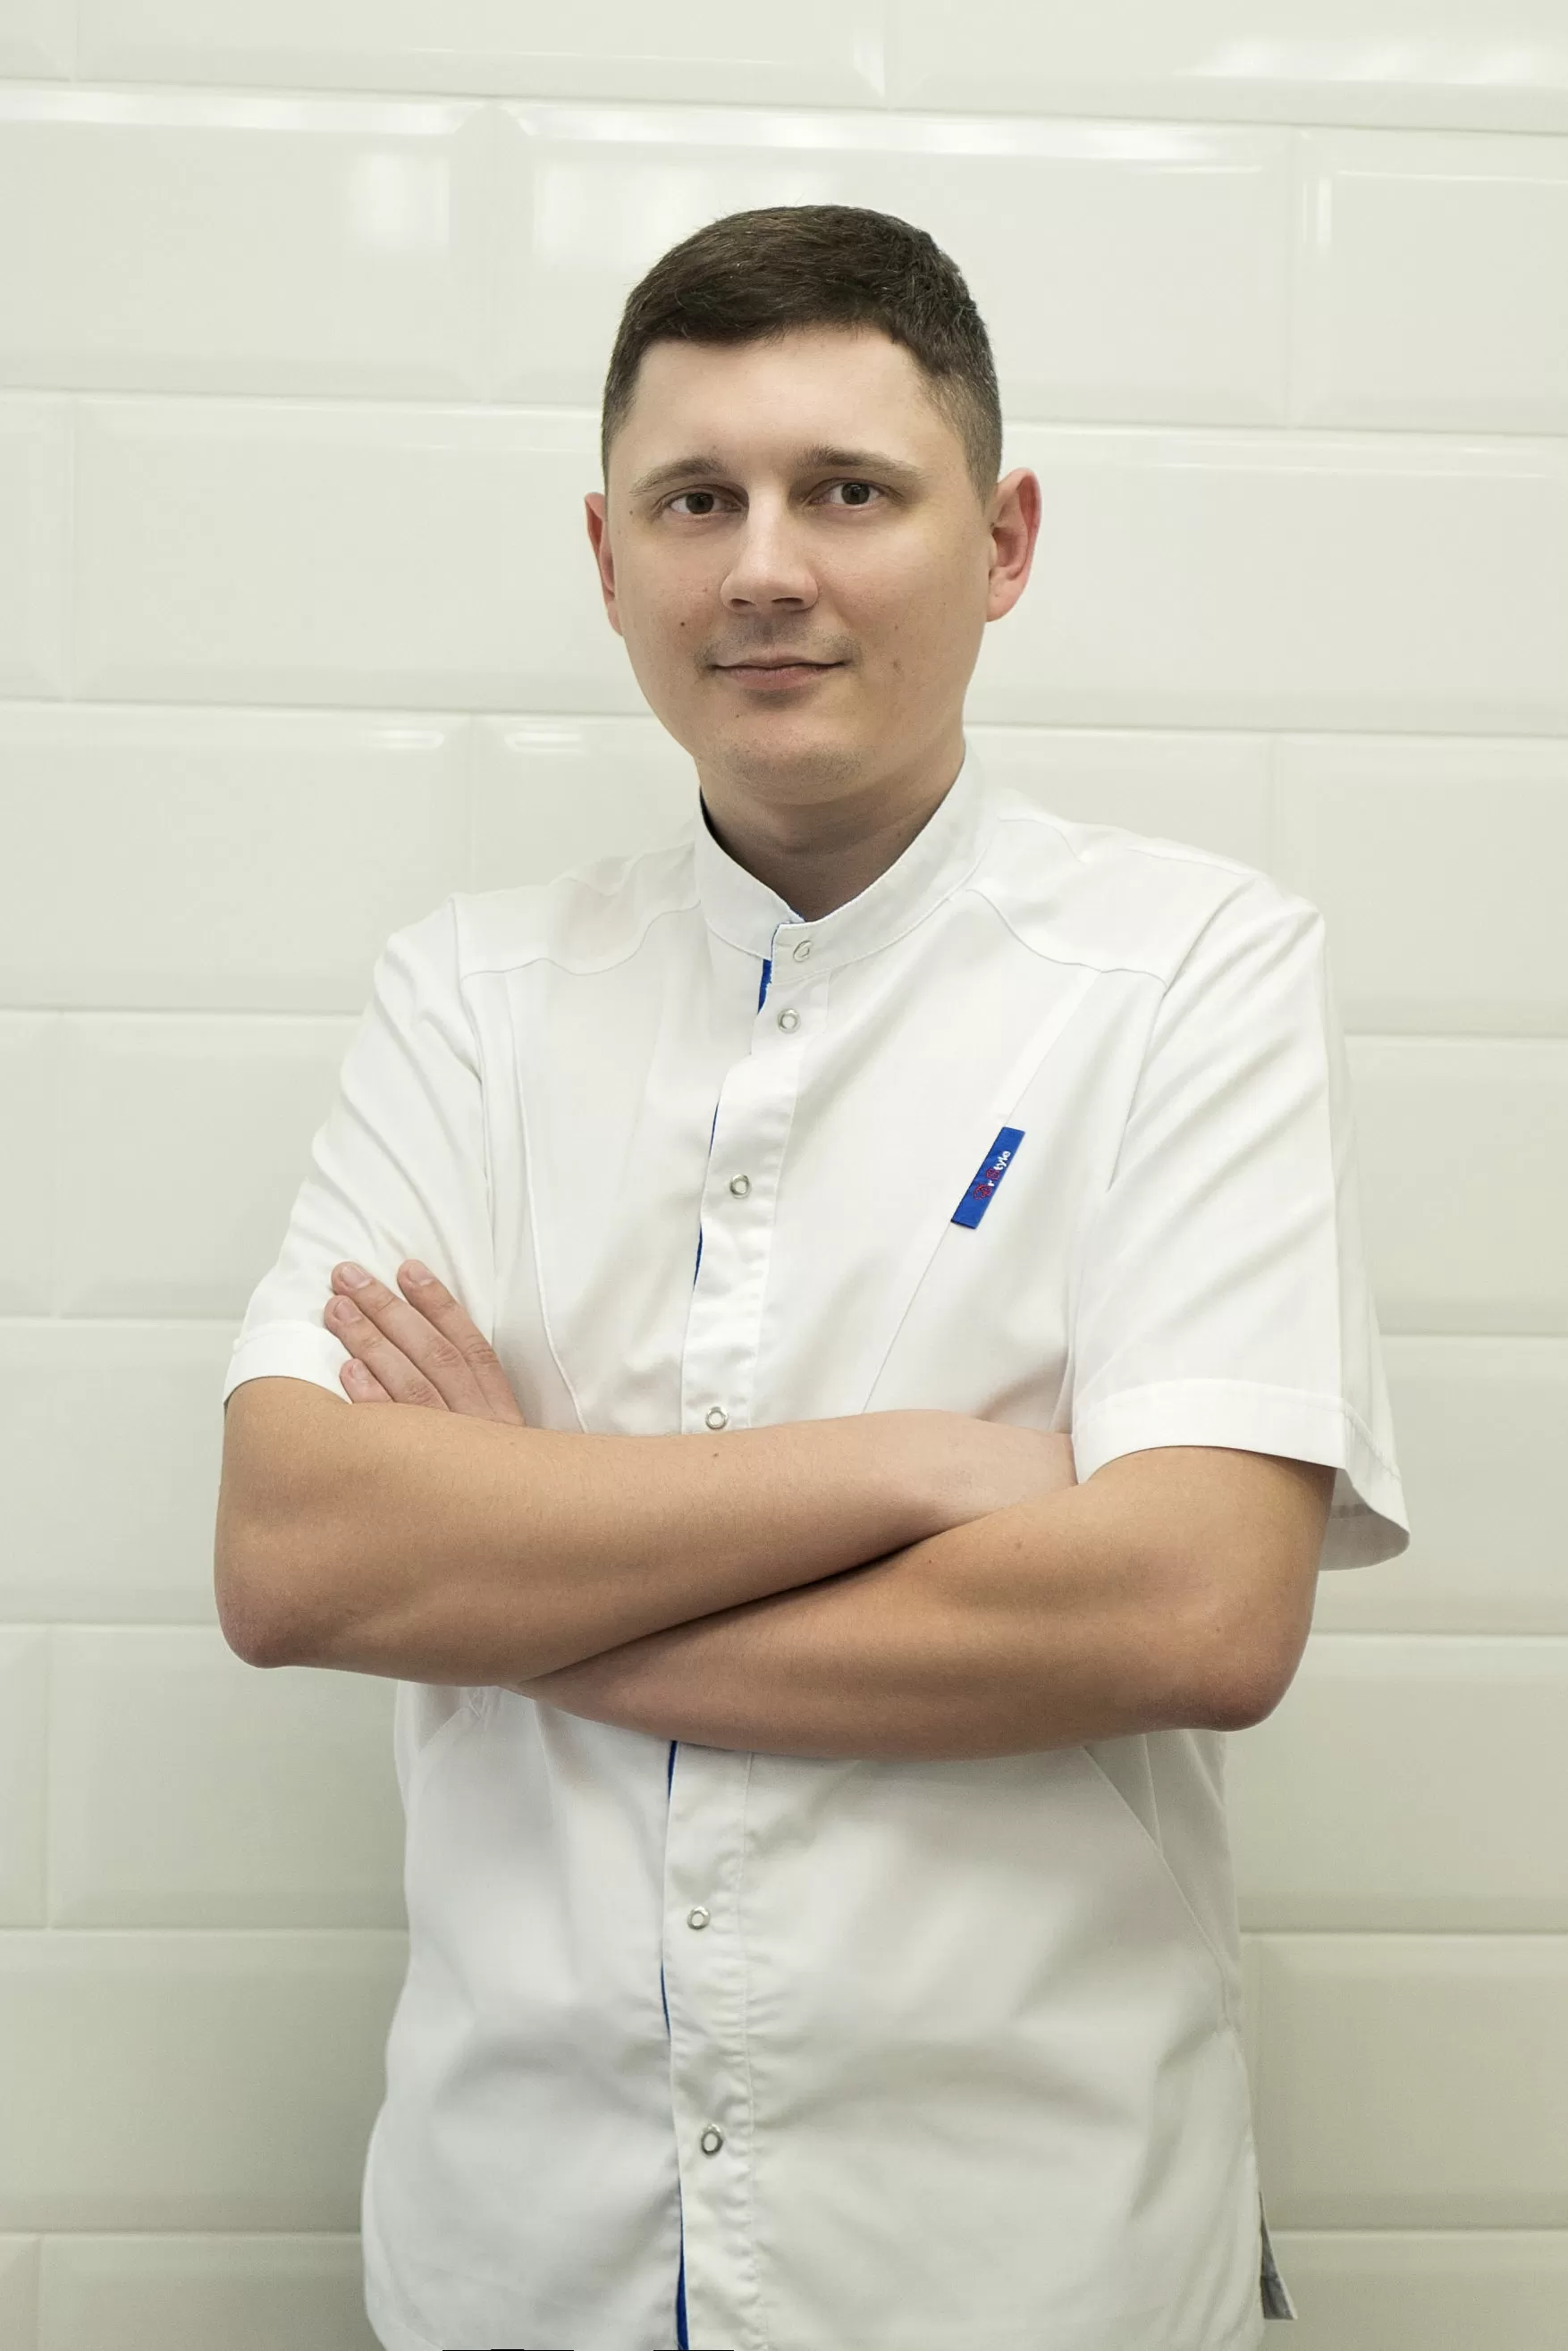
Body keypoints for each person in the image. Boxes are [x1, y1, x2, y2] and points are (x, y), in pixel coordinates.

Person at [214, 204, 1410, 2351]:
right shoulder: (466, 1002)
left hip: (1031, 2274)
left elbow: (1195, 1612)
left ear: (1002, 540)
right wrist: (921, 1469)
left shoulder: (1191, 975)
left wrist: (518, 1580)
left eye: (848, 491)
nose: (764, 564)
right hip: (519, 2267)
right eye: (698, 500)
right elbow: (298, 1559)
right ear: (609, 559)